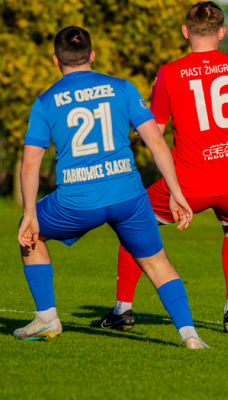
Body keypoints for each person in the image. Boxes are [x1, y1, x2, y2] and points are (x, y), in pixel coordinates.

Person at [90, 2, 228, 335]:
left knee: (131, 221)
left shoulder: (170, 72)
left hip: (189, 183)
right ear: (222, 33)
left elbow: (156, 135)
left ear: (185, 32)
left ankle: (123, 309)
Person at [16, 26, 208, 349]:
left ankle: (47, 318)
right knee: (157, 262)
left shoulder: (45, 102)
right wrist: (176, 191)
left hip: (77, 201)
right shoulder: (123, 88)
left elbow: (31, 164)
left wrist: (29, 213)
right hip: (128, 197)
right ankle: (190, 335)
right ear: (92, 56)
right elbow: (157, 142)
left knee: (29, 236)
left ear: (55, 61)